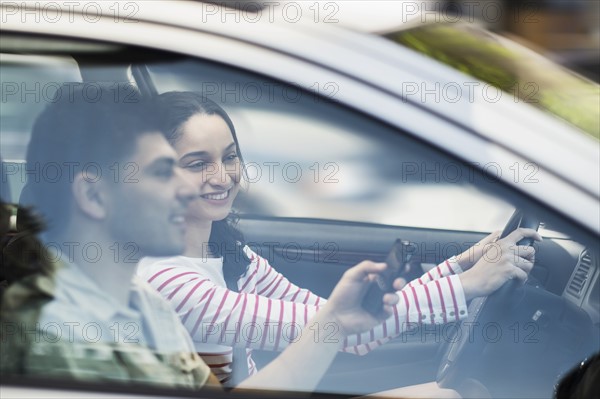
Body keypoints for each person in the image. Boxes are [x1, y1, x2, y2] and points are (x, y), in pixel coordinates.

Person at [0, 83, 405, 394]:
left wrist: (331, 324)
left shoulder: (144, 306)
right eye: (162, 171)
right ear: (93, 195)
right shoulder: (55, 343)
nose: (190, 188)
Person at [137, 91, 541, 385]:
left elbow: (346, 322)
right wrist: (466, 286)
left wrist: (458, 266)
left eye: (229, 156)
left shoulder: (229, 254)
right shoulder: (168, 283)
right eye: (197, 163)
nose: (223, 177)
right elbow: (338, 326)